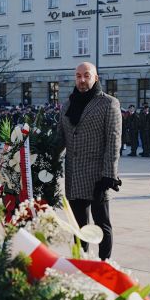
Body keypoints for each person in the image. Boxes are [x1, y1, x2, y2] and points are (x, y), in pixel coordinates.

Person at [56, 62, 122, 260]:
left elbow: (113, 140)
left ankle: (105, 263)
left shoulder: (108, 103)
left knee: (102, 224)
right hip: (74, 174)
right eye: (78, 76)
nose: (82, 80)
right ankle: (81, 262)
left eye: (86, 75)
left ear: (96, 78)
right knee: (79, 225)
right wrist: (36, 153)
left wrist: (109, 174)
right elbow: (60, 139)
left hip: (97, 176)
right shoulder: (68, 105)